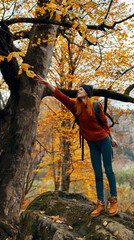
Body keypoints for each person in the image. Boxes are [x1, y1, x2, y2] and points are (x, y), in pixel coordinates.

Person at [34, 74, 119, 217]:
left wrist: (112, 137)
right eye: (78, 89)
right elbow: (60, 96)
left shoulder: (96, 106)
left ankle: (114, 200)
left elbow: (105, 124)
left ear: (87, 92)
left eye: (81, 89)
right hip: (92, 144)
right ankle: (100, 203)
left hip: (104, 141)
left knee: (109, 171)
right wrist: (47, 83)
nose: (78, 91)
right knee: (97, 174)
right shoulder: (75, 107)